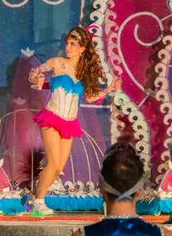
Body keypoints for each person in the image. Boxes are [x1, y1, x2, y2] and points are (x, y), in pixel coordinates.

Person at [28, 26, 122, 216]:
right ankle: (38, 201)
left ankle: (34, 198)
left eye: (74, 44)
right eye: (68, 44)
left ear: (82, 49)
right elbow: (34, 71)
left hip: (70, 121)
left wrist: (109, 89)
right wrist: (36, 78)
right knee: (53, 163)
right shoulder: (56, 63)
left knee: (59, 167)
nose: (68, 47)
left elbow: (90, 96)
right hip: (52, 116)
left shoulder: (84, 73)